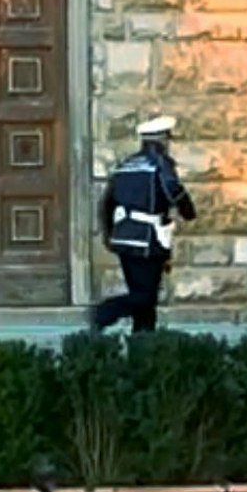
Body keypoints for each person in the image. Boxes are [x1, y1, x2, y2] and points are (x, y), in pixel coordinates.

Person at [91, 116, 197, 332]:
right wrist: (189, 213)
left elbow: (106, 203)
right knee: (145, 297)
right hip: (147, 238)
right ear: (163, 140)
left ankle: (142, 345)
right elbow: (173, 191)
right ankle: (106, 311)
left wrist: (109, 235)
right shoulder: (160, 164)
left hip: (123, 237)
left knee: (142, 300)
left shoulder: (125, 164)